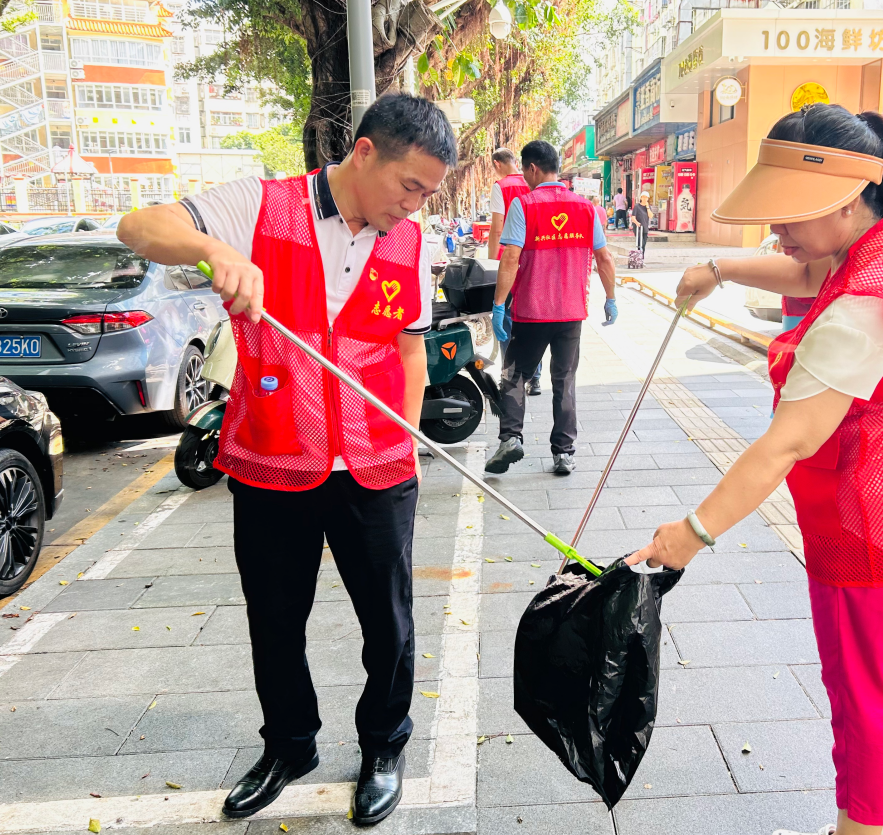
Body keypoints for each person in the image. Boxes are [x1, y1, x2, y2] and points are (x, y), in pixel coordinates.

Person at [627, 103, 883, 835]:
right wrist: (719, 268)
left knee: (867, 706)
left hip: (875, 537)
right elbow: (808, 265)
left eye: (790, 210)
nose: (776, 229)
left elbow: (788, 442)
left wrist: (691, 533)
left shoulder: (859, 309)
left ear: (847, 195)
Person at [117, 94, 458, 827]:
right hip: (273, 461)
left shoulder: (410, 242)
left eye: (427, 194)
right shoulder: (261, 206)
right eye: (410, 185)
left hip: (377, 465)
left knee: (390, 624)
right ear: (364, 152)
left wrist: (406, 444)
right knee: (275, 620)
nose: (415, 205)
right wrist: (217, 252)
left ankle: (384, 745)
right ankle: (289, 745)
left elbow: (409, 352)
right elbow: (138, 226)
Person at [485, 140, 618, 476]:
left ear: (532, 168)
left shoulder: (524, 205)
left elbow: (510, 257)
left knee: (514, 376)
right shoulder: (586, 209)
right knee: (564, 381)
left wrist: (498, 304)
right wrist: (610, 298)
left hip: (531, 311)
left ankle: (510, 438)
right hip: (571, 313)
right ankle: (564, 454)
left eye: (525, 172)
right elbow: (604, 257)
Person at [487, 147, 541, 394]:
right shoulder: (533, 181)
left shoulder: (501, 187)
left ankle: (510, 377)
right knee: (532, 319)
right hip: (533, 260)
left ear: (497, 164)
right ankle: (534, 377)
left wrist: (491, 263)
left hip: (508, 260)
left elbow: (497, 228)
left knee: (506, 320)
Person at [631, 190, 651, 254]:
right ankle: (639, 255)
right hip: (638, 228)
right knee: (640, 243)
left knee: (644, 244)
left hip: (645, 227)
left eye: (646, 197)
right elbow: (633, 217)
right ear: (641, 198)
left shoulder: (648, 207)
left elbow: (650, 216)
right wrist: (637, 223)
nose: (645, 199)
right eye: (643, 197)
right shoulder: (637, 206)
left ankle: (642, 256)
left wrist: (647, 207)